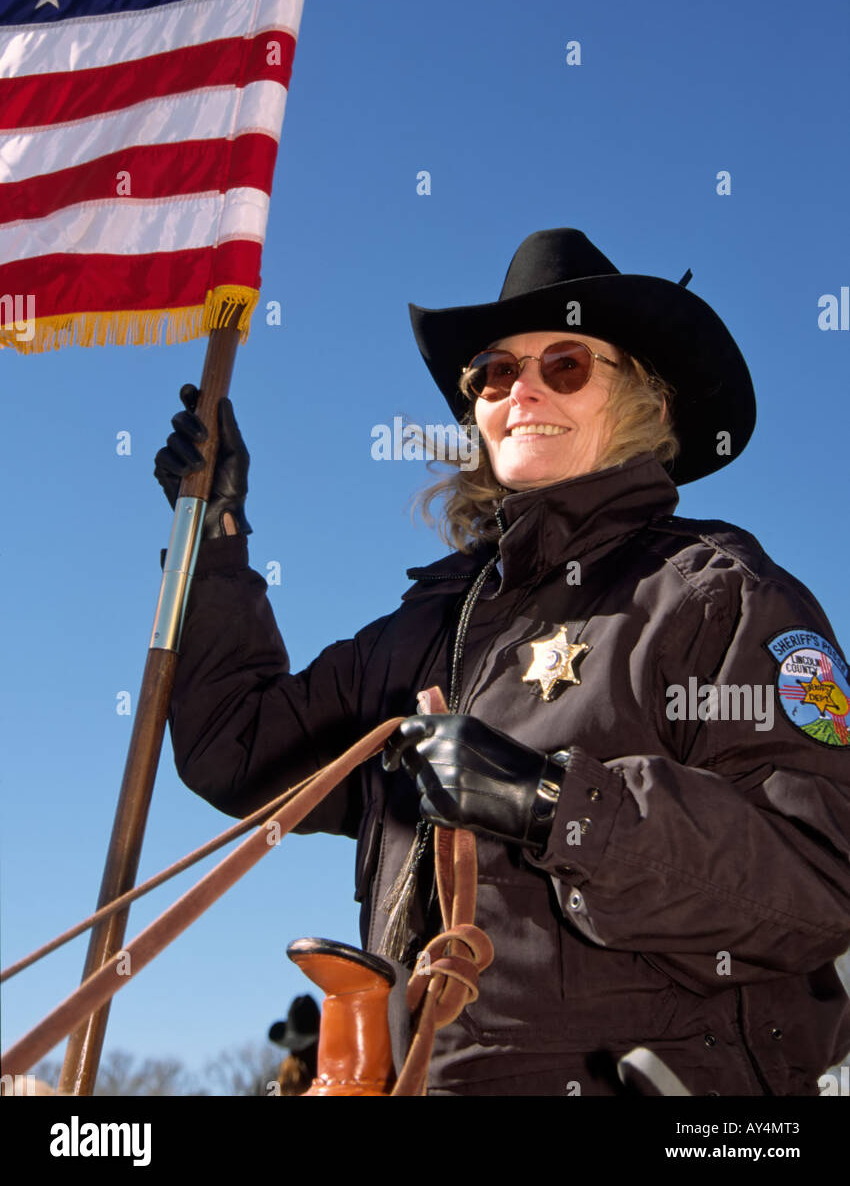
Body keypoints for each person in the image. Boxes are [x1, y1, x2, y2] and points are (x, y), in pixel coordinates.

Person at [155, 227, 850, 1097]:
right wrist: (216, 539)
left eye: (565, 365)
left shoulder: (716, 594)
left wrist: (556, 801)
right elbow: (237, 748)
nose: (522, 390)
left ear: (642, 401)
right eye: (494, 371)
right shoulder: (429, 627)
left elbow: (818, 881)